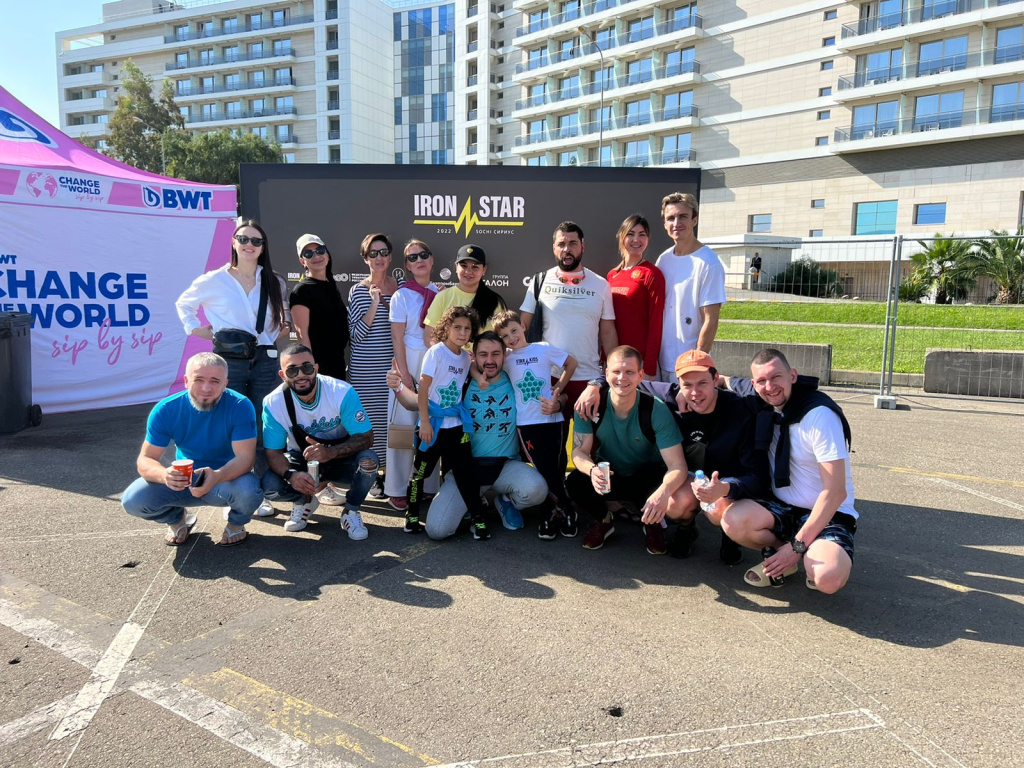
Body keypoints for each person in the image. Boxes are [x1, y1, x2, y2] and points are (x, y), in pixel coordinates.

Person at [176, 219, 288, 517]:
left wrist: (279, 330)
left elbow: (282, 314)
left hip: (265, 358)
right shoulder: (214, 279)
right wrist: (195, 329)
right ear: (234, 242)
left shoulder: (274, 281)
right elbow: (184, 304)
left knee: (263, 423)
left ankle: (259, 489)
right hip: (229, 360)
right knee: (227, 423)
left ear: (263, 247)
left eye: (256, 241)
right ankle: (230, 491)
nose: (250, 245)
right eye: (244, 239)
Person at [388, 331, 549, 540]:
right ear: (474, 356)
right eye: (483, 354)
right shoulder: (461, 382)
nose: (489, 360)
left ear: (505, 355)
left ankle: (505, 501)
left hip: (504, 467)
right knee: (437, 530)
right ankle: (473, 503)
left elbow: (547, 392)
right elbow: (419, 402)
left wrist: (560, 401)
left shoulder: (515, 379)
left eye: (495, 354)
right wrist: (398, 387)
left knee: (537, 489)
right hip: (465, 471)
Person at [722, 349, 857, 594]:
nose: (770, 387)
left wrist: (797, 547)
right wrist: (699, 387)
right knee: (732, 520)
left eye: (776, 377)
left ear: (793, 376)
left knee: (827, 578)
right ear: (754, 384)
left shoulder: (819, 415)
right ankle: (784, 554)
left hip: (827, 512)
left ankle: (803, 553)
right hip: (783, 508)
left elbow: (836, 491)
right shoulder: (763, 399)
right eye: (761, 381)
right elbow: (729, 381)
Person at [121, 352, 264, 547]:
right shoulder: (166, 409)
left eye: (215, 381)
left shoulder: (240, 405)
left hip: (225, 480)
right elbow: (145, 459)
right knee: (133, 500)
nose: (206, 388)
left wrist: (217, 476)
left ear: (225, 384)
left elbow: (246, 458)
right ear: (186, 381)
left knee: (249, 491)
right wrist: (164, 475)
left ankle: (236, 524)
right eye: (199, 380)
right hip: (184, 481)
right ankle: (177, 519)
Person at [568, 346, 686, 555]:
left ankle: (652, 522)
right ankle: (604, 520)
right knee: (575, 482)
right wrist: (592, 470)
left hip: (645, 477)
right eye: (616, 371)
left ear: (641, 375)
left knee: (657, 480)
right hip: (610, 475)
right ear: (606, 374)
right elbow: (579, 452)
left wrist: (663, 493)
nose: (622, 378)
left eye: (630, 372)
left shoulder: (655, 409)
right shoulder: (589, 405)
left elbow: (677, 465)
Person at [259, 344, 378, 538]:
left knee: (369, 462)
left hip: (342, 459)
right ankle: (304, 501)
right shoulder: (273, 403)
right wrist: (291, 475)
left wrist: (331, 452)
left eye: (306, 367)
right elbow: (273, 452)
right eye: (292, 370)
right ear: (282, 375)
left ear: (316, 368)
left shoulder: (341, 392)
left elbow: (367, 437)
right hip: (303, 462)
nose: (300, 375)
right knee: (269, 484)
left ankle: (351, 511)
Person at [405, 305, 491, 540]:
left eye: (467, 329)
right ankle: (411, 517)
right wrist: (424, 422)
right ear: (446, 327)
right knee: (420, 474)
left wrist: (479, 379)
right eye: (457, 327)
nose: (462, 333)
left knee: (466, 475)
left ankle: (478, 520)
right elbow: (423, 388)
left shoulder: (464, 356)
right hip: (432, 426)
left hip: (457, 428)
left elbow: (470, 367)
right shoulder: (436, 352)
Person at [491, 310, 579, 540]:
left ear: (523, 326)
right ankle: (565, 509)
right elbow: (484, 366)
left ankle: (551, 513)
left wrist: (557, 388)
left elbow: (571, 363)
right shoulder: (505, 358)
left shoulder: (543, 348)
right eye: (504, 336)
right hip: (526, 423)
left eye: (514, 330)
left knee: (554, 469)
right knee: (543, 471)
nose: (511, 338)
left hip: (552, 420)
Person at [520, 221, 617, 416]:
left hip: (589, 379)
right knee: (555, 436)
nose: (567, 249)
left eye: (573, 243)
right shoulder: (539, 281)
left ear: (583, 246)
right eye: (561, 244)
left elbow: (607, 333)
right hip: (549, 377)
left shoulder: (601, 284)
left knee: (586, 436)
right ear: (554, 248)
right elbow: (523, 328)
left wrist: (615, 368)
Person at [385, 239, 440, 511]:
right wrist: (404, 373)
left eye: (423, 254)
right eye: (412, 257)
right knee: (403, 428)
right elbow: (397, 337)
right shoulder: (401, 295)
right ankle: (396, 487)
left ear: (431, 260)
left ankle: (429, 484)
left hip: (434, 362)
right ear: (406, 265)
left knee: (433, 422)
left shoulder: (441, 294)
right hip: (408, 359)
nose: (419, 260)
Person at [348, 233, 400, 498]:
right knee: (370, 425)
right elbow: (355, 335)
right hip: (365, 372)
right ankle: (373, 475)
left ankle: (392, 476)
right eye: (373, 253)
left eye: (383, 252)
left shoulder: (401, 287)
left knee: (392, 424)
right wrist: (374, 303)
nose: (379, 258)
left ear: (390, 257)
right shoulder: (358, 291)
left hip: (393, 370)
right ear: (365, 258)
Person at [656, 193, 726, 379]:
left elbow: (711, 319)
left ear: (694, 220)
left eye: (683, 216)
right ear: (665, 224)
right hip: (661, 362)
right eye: (671, 218)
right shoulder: (663, 259)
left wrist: (696, 363)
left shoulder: (708, 263)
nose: (676, 223)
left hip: (689, 365)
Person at [606, 214, 665, 379]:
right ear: (621, 236)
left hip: (639, 362)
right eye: (631, 234)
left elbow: (656, 323)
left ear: (648, 239)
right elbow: (607, 323)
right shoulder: (612, 275)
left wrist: (649, 365)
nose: (636, 240)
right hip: (616, 360)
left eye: (642, 235)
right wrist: (606, 357)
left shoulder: (652, 274)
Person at [290, 233, 349, 381]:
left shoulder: (331, 287)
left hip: (338, 364)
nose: (316, 256)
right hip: (318, 369)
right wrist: (309, 369)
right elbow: (302, 335)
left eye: (320, 250)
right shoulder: (302, 291)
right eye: (308, 253)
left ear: (327, 254)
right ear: (302, 261)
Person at [424, 244, 506, 339]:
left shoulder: (495, 301)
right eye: (464, 266)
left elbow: (503, 337)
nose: (468, 272)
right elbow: (430, 337)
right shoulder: (442, 297)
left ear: (484, 269)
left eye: (475, 267)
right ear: (456, 267)